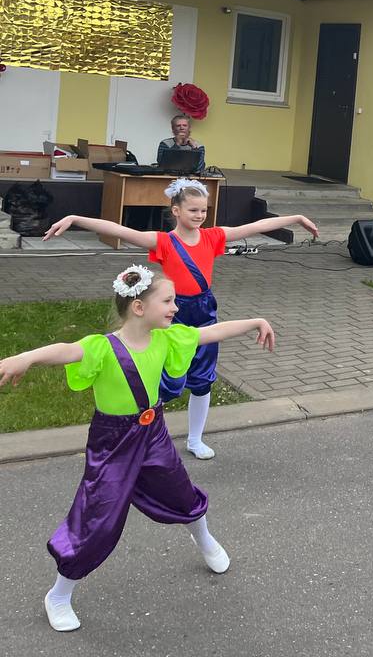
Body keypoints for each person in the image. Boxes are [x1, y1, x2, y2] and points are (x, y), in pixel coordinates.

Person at [0, 266, 276, 632]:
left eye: (175, 300)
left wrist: (255, 320)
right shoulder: (102, 348)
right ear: (139, 308)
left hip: (153, 435)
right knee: (98, 517)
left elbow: (210, 332)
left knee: (181, 493)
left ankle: (206, 541)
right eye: (168, 300)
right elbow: (66, 350)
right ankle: (59, 594)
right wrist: (27, 357)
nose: (175, 307)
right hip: (112, 443)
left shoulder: (167, 339)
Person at [43, 179, 318, 460]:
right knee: (158, 377)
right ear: (175, 210)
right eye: (192, 210)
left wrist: (296, 218)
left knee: (202, 379)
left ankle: (195, 438)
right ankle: (145, 434)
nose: (199, 216)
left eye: (203, 210)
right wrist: (76, 218)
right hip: (170, 312)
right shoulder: (163, 241)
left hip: (204, 310)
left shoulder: (212, 237)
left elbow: (256, 226)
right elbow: (120, 230)